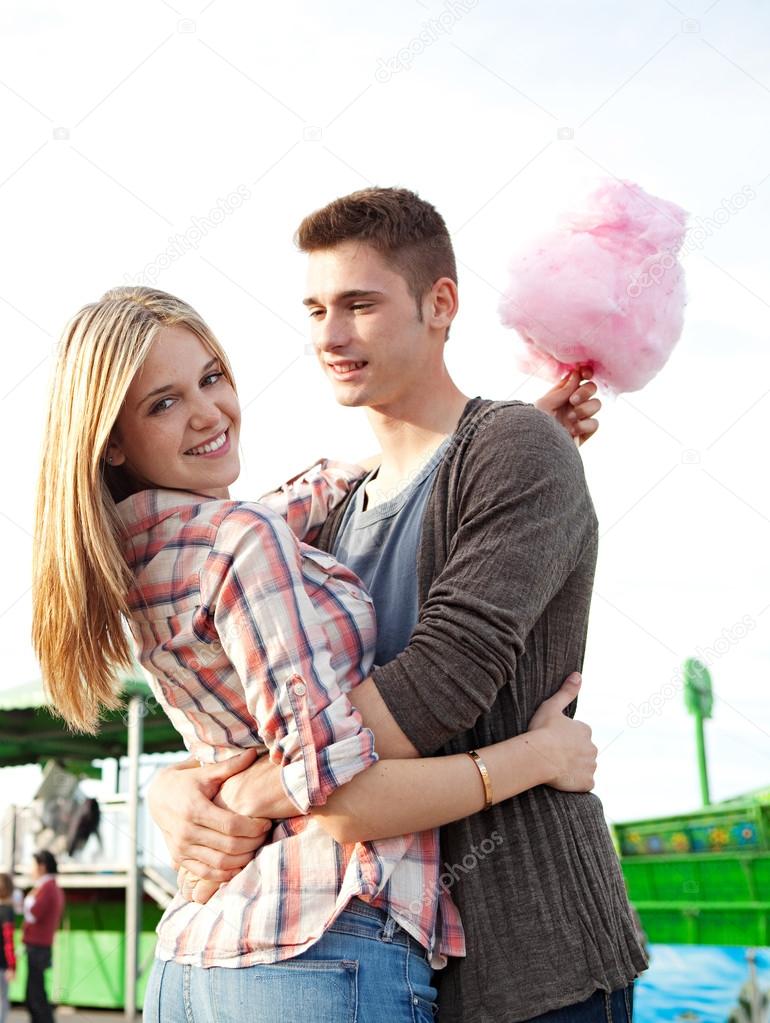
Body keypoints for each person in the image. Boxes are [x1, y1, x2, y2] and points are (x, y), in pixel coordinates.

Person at [32, 288, 598, 1023]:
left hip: (190, 964)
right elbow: (343, 798)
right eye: (163, 403)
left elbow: (314, 493)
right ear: (112, 438)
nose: (208, 411)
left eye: (211, 376)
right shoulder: (242, 543)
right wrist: (542, 756)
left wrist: (492, 440)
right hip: (322, 943)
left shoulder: (142, 553)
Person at [150, 188, 648, 1023]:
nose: (330, 337)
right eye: (315, 309)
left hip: (533, 960)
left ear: (440, 303)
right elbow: (263, 707)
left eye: (359, 304)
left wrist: (249, 795)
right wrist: (177, 784)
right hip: (379, 954)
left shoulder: (517, 449)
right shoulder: (331, 515)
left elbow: (440, 685)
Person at [22, 851, 63, 1023]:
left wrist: (25, 903)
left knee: (35, 997)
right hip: (39, 947)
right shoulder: (48, 887)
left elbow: (34, 913)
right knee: (35, 995)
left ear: (42, 866)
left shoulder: (47, 888)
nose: (31, 870)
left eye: (33, 865)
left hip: (38, 947)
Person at [0, 873, 17, 1023]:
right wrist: (12, 966)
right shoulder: (7, 912)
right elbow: (8, 942)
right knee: (2, 1001)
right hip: (2, 965)